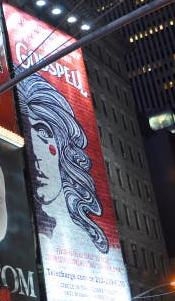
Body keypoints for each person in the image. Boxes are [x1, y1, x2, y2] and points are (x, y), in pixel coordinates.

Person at [18, 73, 109, 254]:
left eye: (42, 133)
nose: (35, 156)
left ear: (62, 145)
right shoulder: (23, 232)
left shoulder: (88, 243)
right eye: (26, 134)